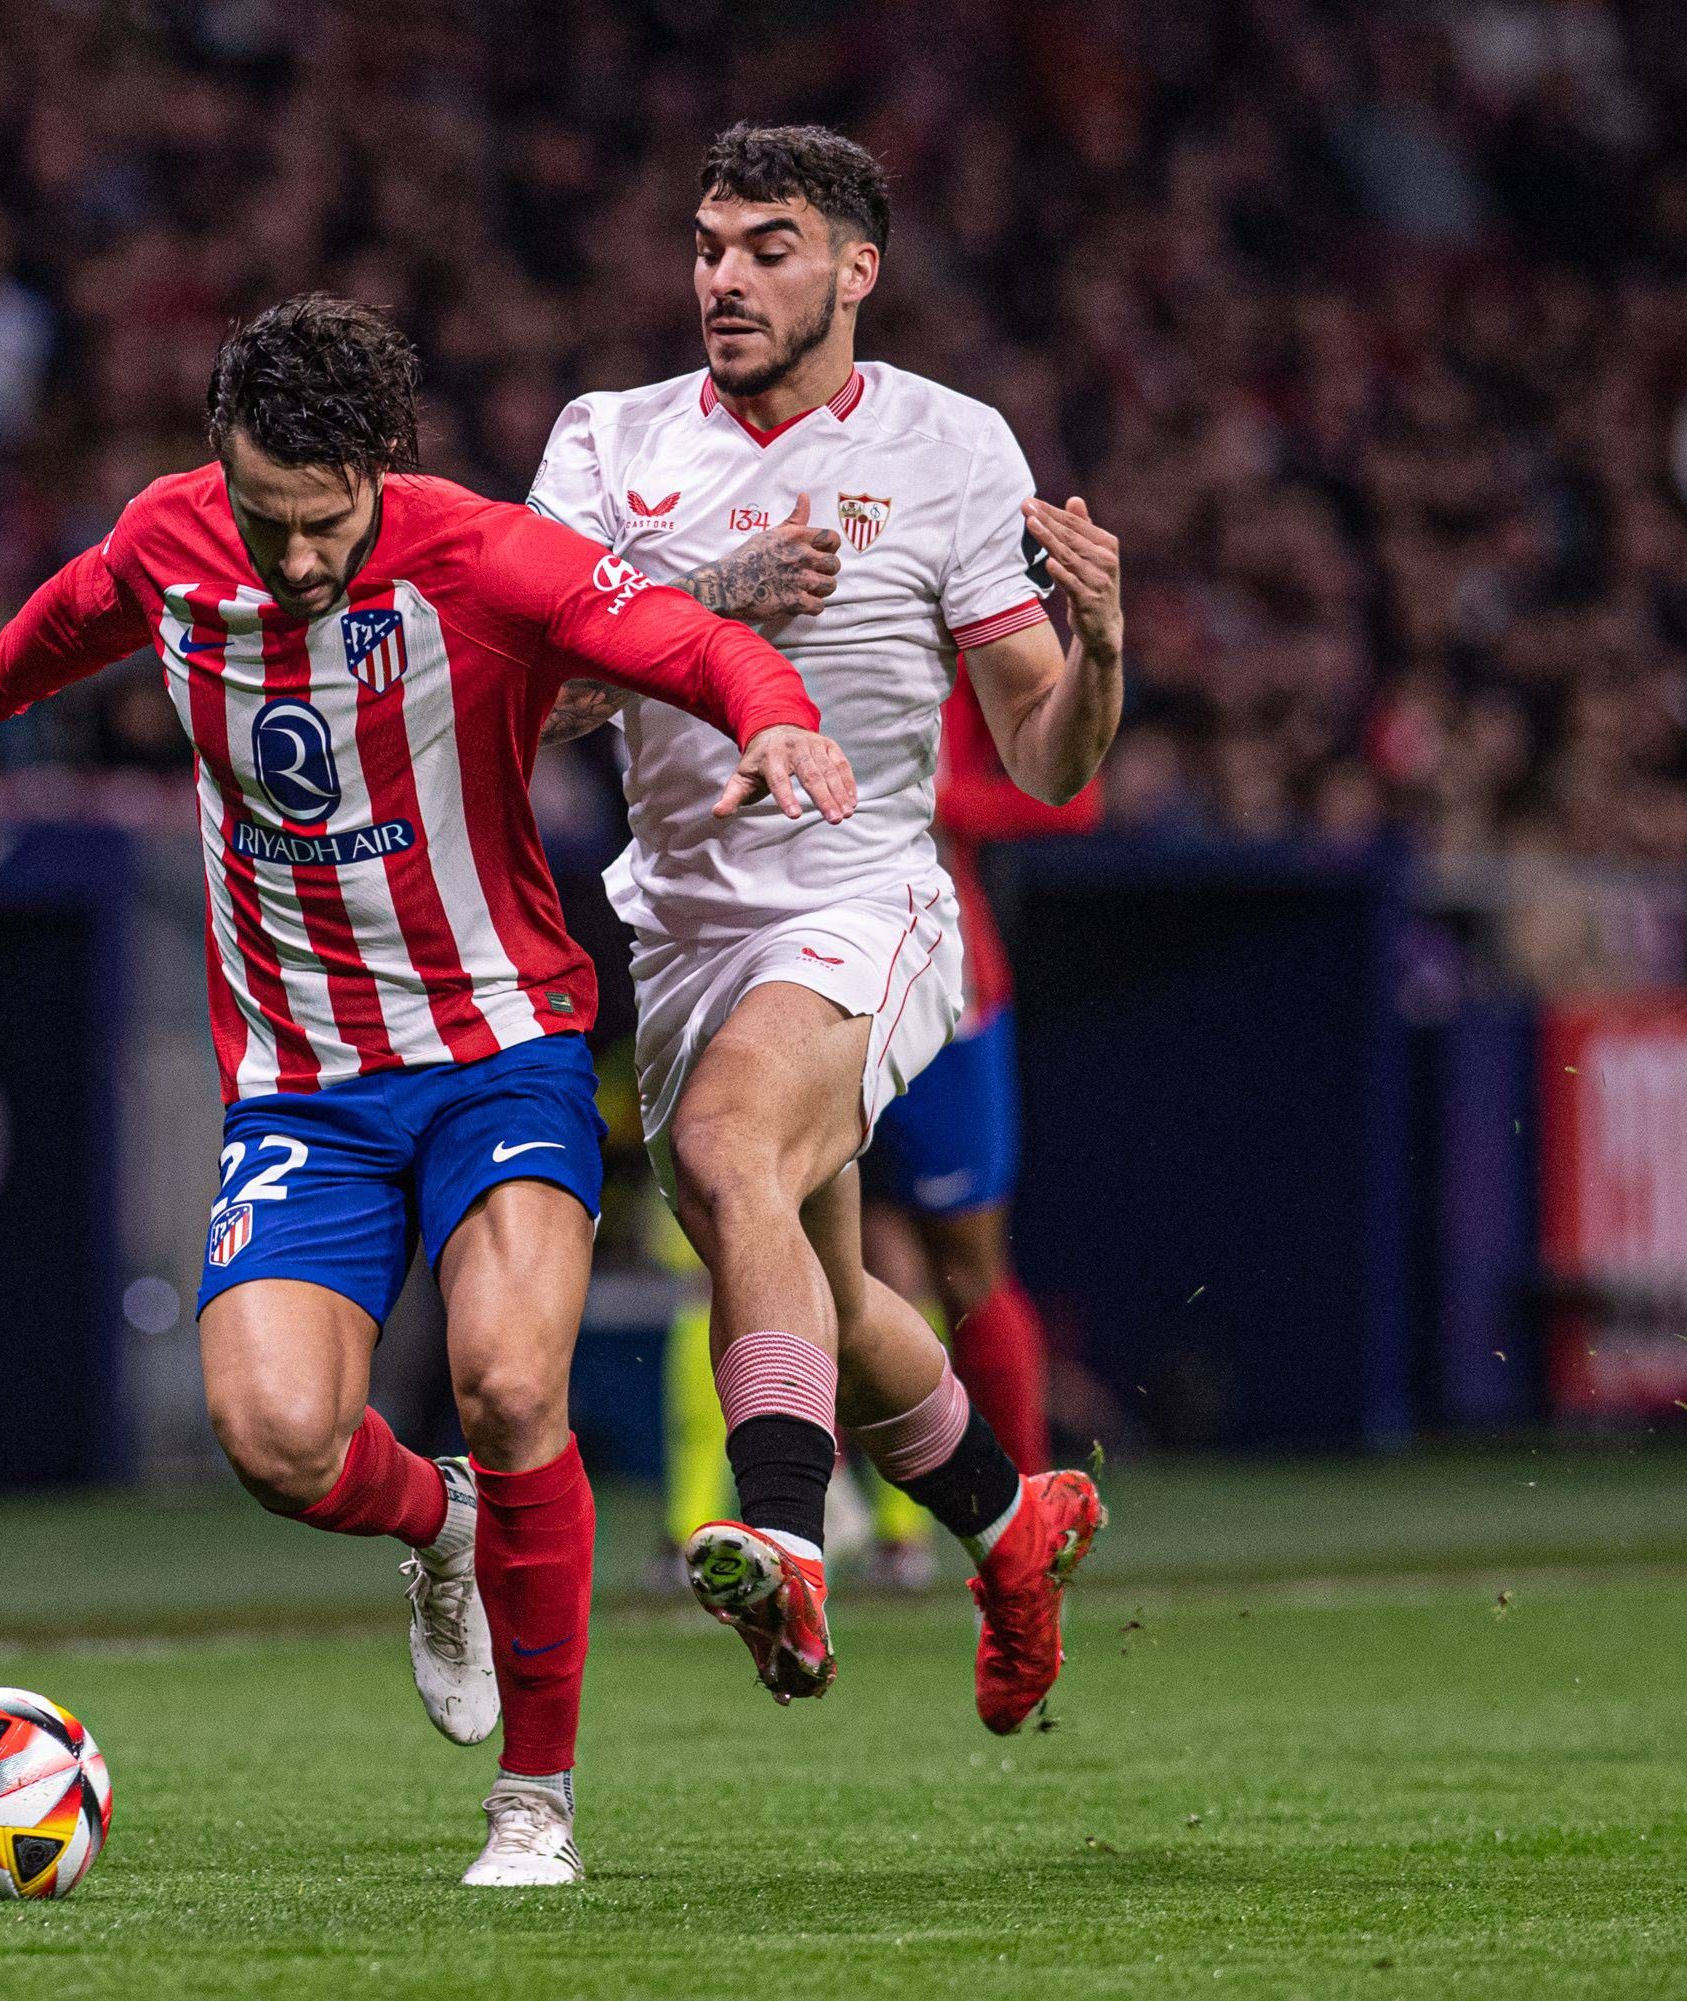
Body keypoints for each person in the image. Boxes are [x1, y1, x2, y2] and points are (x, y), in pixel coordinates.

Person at [0, 294, 852, 1885]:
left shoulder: (479, 557)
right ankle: (445, 1527)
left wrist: (779, 717)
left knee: (512, 1384)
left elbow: (684, 640)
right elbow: (79, 610)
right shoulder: (171, 540)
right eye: (267, 516)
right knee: (274, 1439)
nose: (298, 555)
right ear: (223, 467)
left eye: (326, 521)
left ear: (380, 475)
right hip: (300, 1086)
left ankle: (535, 1803)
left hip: (499, 1050)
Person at [530, 124, 1120, 1730]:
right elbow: (537, 703)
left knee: (725, 1154)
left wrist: (1106, 653)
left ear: (858, 269)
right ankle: (1015, 1530)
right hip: (682, 928)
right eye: (710, 244)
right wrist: (710, 602)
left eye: (767, 245)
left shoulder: (952, 446)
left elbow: (1047, 759)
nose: (724, 275)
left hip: (868, 899)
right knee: (834, 1297)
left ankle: (784, 1533)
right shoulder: (604, 445)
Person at [861, 677, 1103, 1485]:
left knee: (966, 1274)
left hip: (940, 996)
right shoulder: (757, 608)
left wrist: (938, 803)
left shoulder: (956, 634)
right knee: (791, 1264)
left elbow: (1076, 795)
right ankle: (800, 1508)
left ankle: (1024, 1511)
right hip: (782, 984)